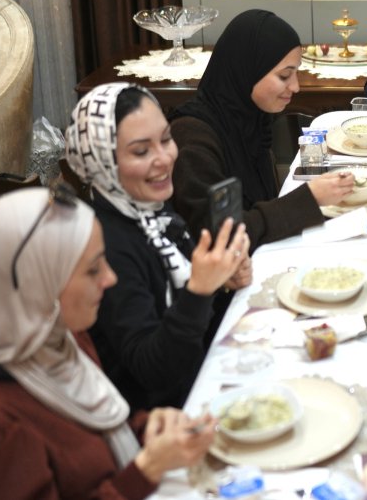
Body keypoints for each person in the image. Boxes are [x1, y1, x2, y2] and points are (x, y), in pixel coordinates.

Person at [0, 187, 216, 499]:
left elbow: (93, 436)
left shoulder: (62, 341)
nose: (110, 279)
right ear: (36, 286)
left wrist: (146, 428)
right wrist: (146, 469)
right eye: (93, 268)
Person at [66, 83, 250, 411]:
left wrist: (221, 281)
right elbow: (154, 372)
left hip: (199, 375)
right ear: (101, 161)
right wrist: (200, 290)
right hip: (158, 419)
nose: (164, 159)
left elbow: (186, 313)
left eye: (165, 139)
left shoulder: (151, 210)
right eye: (141, 151)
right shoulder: (105, 244)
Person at [169, 10, 354, 248]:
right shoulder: (193, 139)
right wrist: (309, 198)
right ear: (247, 69)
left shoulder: (251, 121)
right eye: (285, 75)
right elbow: (221, 237)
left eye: (296, 73)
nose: (295, 87)